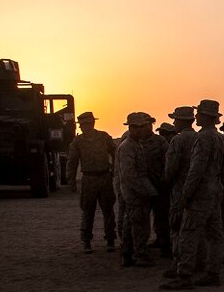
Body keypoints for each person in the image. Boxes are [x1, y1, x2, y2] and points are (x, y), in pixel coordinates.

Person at [161, 100, 224, 289]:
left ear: (206, 117)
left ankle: (185, 275)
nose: (196, 117)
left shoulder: (203, 138)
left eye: (199, 114)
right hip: (215, 190)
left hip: (200, 192)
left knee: (188, 232)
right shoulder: (220, 138)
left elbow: (196, 169)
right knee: (215, 233)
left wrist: (187, 193)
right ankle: (213, 272)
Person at [66, 111, 117, 253]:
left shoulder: (104, 137)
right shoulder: (78, 141)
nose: (85, 126)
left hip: (104, 177)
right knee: (88, 211)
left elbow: (116, 152)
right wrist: (71, 181)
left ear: (93, 123)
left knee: (108, 210)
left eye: (88, 123)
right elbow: (72, 162)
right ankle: (86, 241)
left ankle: (111, 239)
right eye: (83, 124)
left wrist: (115, 170)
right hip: (88, 179)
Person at [116, 112, 159, 268]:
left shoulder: (135, 144)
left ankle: (128, 254)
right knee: (139, 225)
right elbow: (129, 175)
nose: (143, 130)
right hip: (135, 193)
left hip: (137, 191)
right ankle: (139, 255)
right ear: (132, 128)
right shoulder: (127, 147)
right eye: (139, 127)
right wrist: (144, 191)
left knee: (131, 223)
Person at [163, 106, 197, 266]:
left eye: (176, 119)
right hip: (198, 189)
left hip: (180, 189)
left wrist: (166, 182)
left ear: (182, 121)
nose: (174, 122)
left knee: (177, 225)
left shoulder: (178, 140)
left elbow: (171, 168)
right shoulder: (200, 137)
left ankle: (180, 262)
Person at [142, 115, 172, 259]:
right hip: (141, 187)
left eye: (149, 124)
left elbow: (168, 162)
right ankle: (141, 247)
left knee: (162, 216)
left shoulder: (160, 142)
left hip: (159, 185)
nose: (147, 127)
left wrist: (164, 180)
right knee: (141, 217)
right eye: (144, 125)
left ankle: (165, 244)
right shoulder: (133, 142)